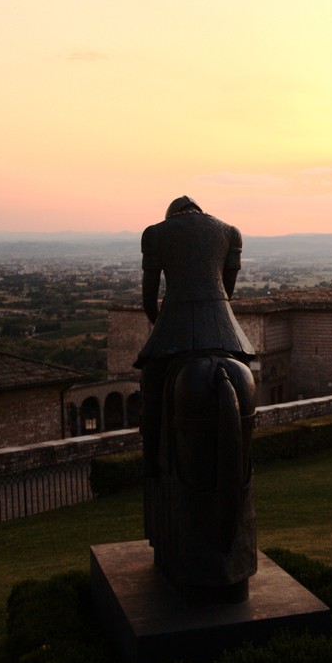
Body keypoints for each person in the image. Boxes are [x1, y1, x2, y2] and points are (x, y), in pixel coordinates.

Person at [134, 196, 256, 548]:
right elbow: (227, 290)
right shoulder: (230, 232)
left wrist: (161, 325)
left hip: (174, 325)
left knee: (152, 384)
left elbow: (148, 298)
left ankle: (150, 463)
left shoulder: (155, 233)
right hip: (223, 328)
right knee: (245, 378)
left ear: (172, 214)